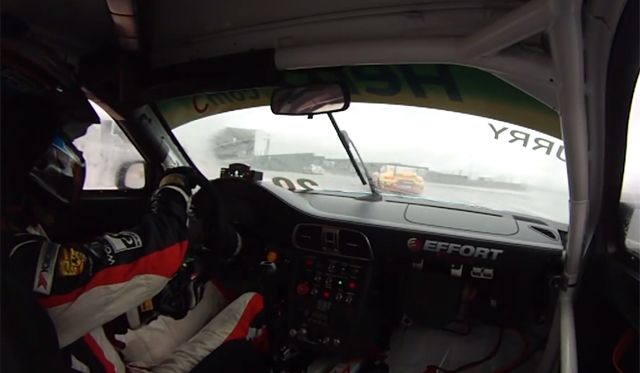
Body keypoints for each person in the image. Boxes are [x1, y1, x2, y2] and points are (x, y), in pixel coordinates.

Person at [0, 15, 269, 373]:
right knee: (253, 306)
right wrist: (173, 191)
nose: (73, 152)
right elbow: (158, 255)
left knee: (213, 293)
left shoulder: (16, 237)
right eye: (59, 137)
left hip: (95, 351)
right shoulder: (15, 265)